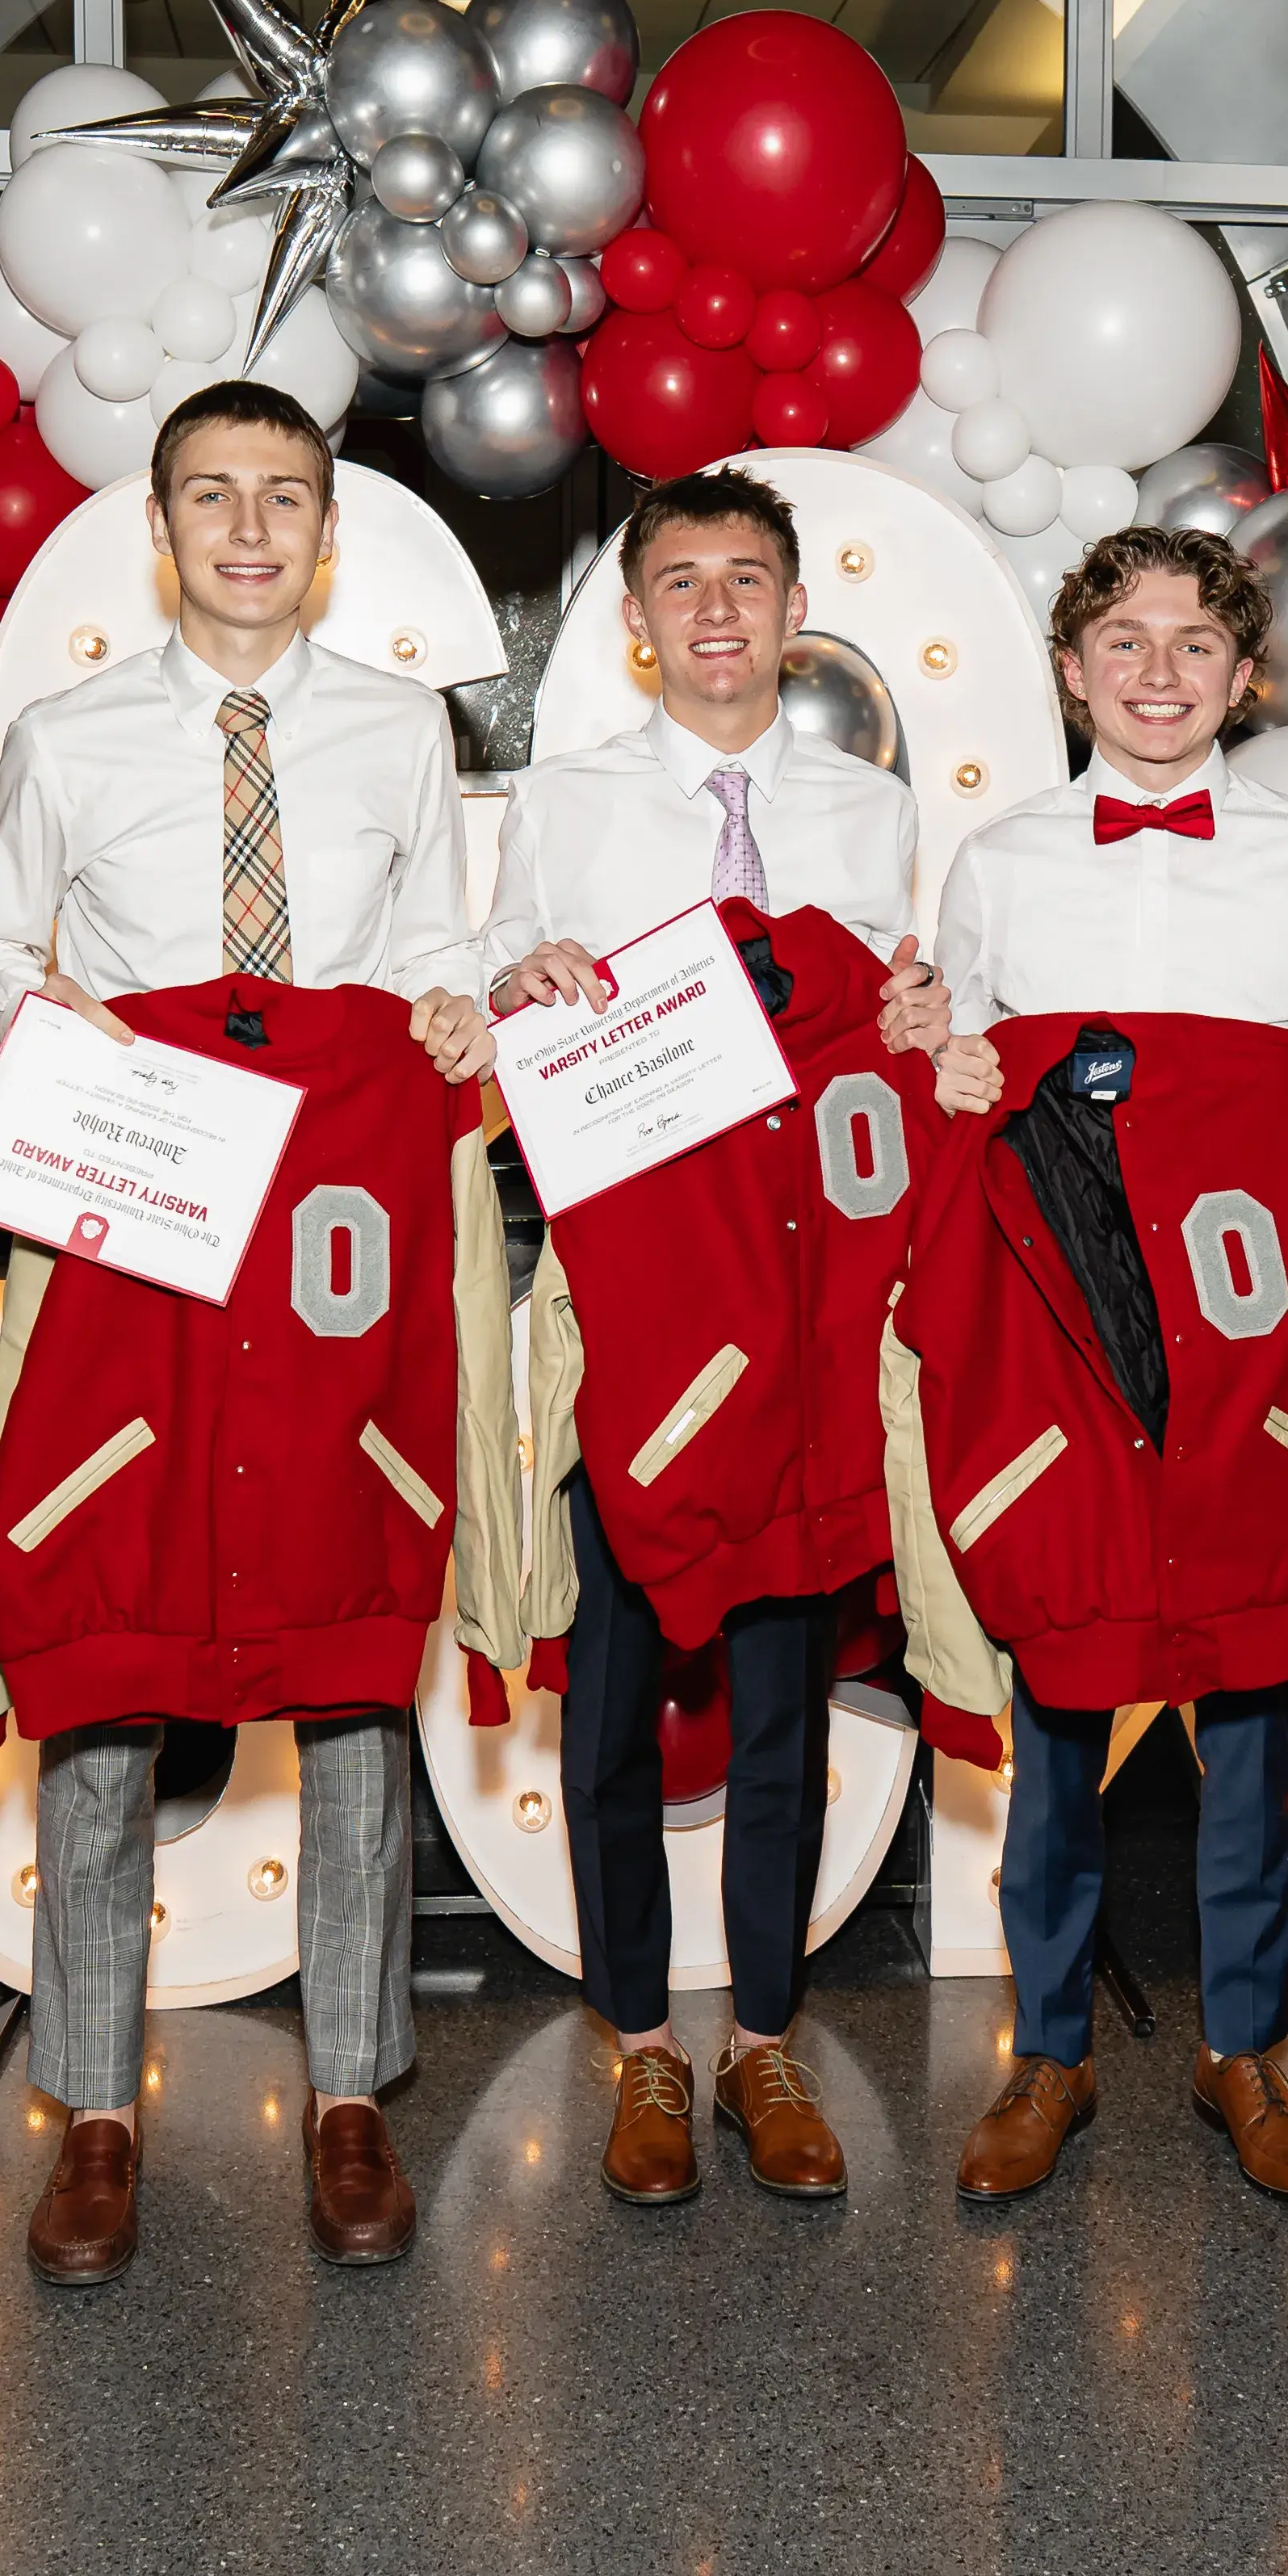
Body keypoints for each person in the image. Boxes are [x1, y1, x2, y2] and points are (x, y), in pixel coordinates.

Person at [0, 378, 491, 2284]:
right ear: (160, 527)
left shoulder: (396, 727)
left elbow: (433, 938)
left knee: (351, 1625)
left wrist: (444, 1015)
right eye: (211, 496)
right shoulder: (69, 734)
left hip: (342, 1215)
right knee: (113, 1632)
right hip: (148, 1203)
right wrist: (61, 1023)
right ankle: (95, 2104)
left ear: (327, 529)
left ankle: (353, 2089)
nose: (249, 528)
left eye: (284, 496)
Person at [482, 467, 946, 2206]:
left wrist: (914, 1011)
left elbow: (905, 1008)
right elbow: (496, 975)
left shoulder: (869, 806)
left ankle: (761, 2032)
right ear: (639, 618)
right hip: (642, 1302)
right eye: (683, 583)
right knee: (610, 1688)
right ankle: (639, 2050)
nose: (719, 612)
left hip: (814, 1300)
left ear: (794, 601)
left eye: (748, 580)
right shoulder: (572, 800)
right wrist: (524, 979)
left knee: (782, 1687)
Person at [924, 525, 1288, 2206]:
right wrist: (945, 1058)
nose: (1160, 672)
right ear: (1070, 669)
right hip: (1061, 1335)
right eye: (1124, 640)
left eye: (1197, 642)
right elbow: (953, 1074)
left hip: (1251, 1335)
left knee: (1252, 1696)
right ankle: (1048, 2051)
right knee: (1059, 1686)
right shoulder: (997, 859)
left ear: (1243, 674)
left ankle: (1244, 2048)